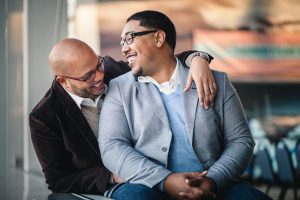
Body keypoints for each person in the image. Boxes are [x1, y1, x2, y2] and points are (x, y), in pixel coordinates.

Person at [99, 10, 272, 200]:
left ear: (158, 38)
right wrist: (165, 180)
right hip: (147, 185)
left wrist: (212, 180)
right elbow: (112, 146)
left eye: (129, 38)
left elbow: (240, 141)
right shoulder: (119, 88)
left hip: (213, 183)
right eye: (122, 42)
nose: (124, 49)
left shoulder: (217, 81)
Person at [29, 38, 216, 195]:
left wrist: (197, 59)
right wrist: (112, 175)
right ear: (63, 81)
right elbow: (58, 182)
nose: (99, 76)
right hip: (118, 184)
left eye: (98, 64)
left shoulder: (113, 69)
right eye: (88, 76)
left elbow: (163, 63)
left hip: (161, 162)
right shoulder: (44, 117)